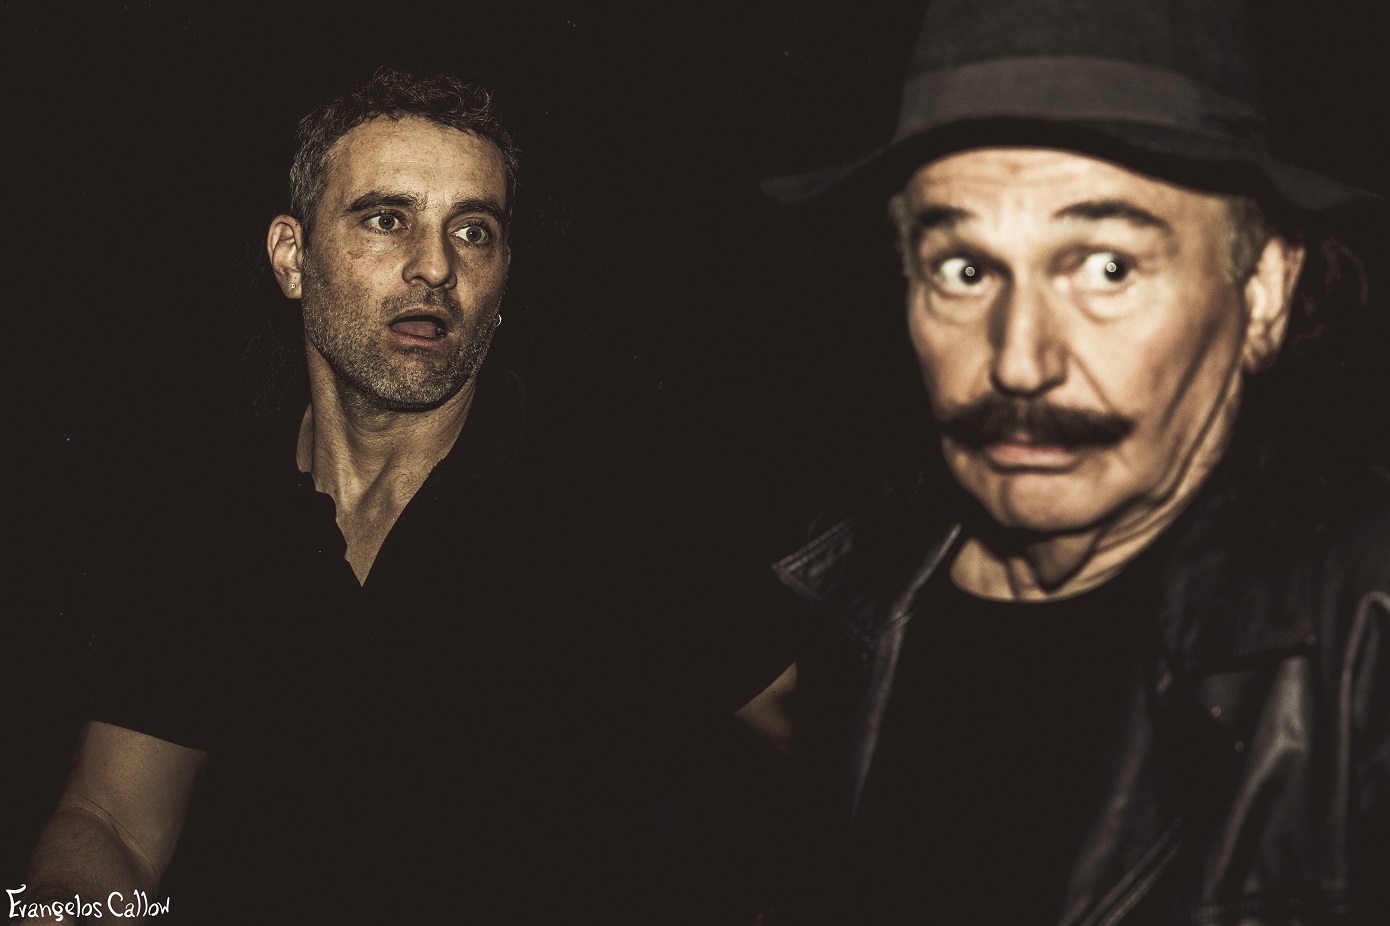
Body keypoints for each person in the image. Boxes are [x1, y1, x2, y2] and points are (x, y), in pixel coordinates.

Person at [18, 69, 796, 925]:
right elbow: (113, 821)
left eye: (473, 231)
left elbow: (844, 745)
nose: (435, 267)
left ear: (504, 276)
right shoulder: (212, 516)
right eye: (387, 219)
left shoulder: (618, 501)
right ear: (292, 258)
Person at [762, 0, 1389, 923]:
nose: (1020, 360)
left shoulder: (1362, 635)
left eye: (1106, 268)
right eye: (965, 270)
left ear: (1262, 291)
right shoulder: (858, 606)